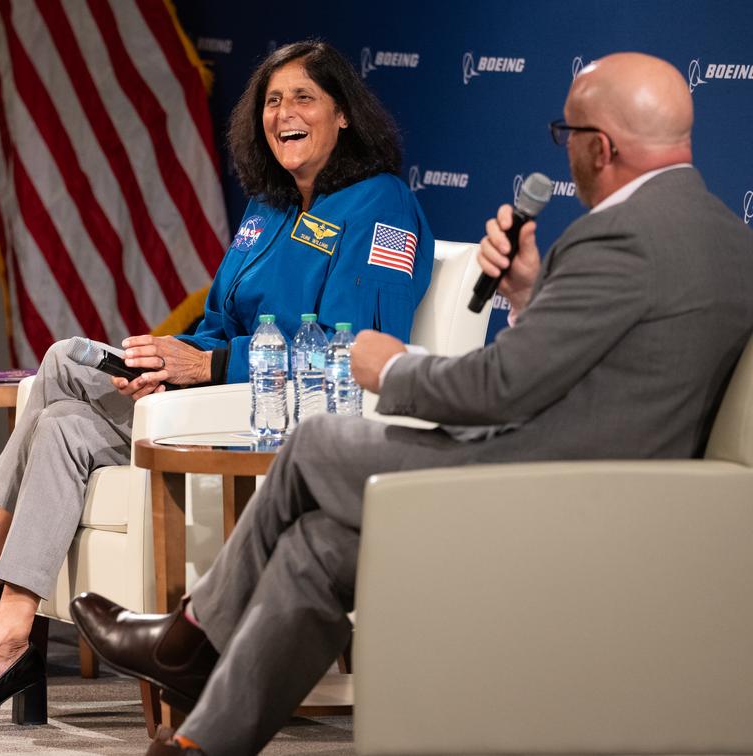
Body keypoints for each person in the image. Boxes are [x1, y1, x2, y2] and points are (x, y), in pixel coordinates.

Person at [69, 51, 753, 755]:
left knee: (315, 444)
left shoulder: (615, 236)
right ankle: (201, 742)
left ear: (599, 147)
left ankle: (190, 637)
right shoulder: (727, 239)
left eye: (565, 134)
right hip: (619, 488)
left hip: (555, 494)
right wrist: (526, 290)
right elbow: (601, 367)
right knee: (317, 548)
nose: (566, 152)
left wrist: (390, 369)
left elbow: (500, 388)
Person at [0, 40, 434, 732]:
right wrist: (167, 358)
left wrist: (209, 367)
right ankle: (7, 626)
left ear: (344, 114)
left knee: (60, 395)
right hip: (212, 397)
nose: (283, 114)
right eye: (272, 102)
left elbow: (357, 348)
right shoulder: (266, 209)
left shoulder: (381, 206)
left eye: (303, 98)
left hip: (282, 416)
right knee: (65, 382)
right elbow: (222, 322)